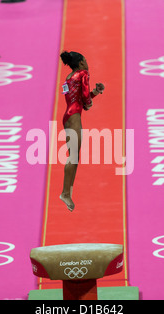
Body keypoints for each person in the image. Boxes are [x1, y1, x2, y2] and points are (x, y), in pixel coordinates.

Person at [59, 51, 105, 212]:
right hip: (75, 117)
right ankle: (65, 193)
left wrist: (96, 92)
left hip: (68, 116)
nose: (87, 63)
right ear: (80, 63)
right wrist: (90, 103)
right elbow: (85, 98)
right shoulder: (83, 73)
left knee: (74, 157)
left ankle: (67, 192)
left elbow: (77, 99)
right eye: (85, 61)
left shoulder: (69, 77)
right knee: (73, 157)